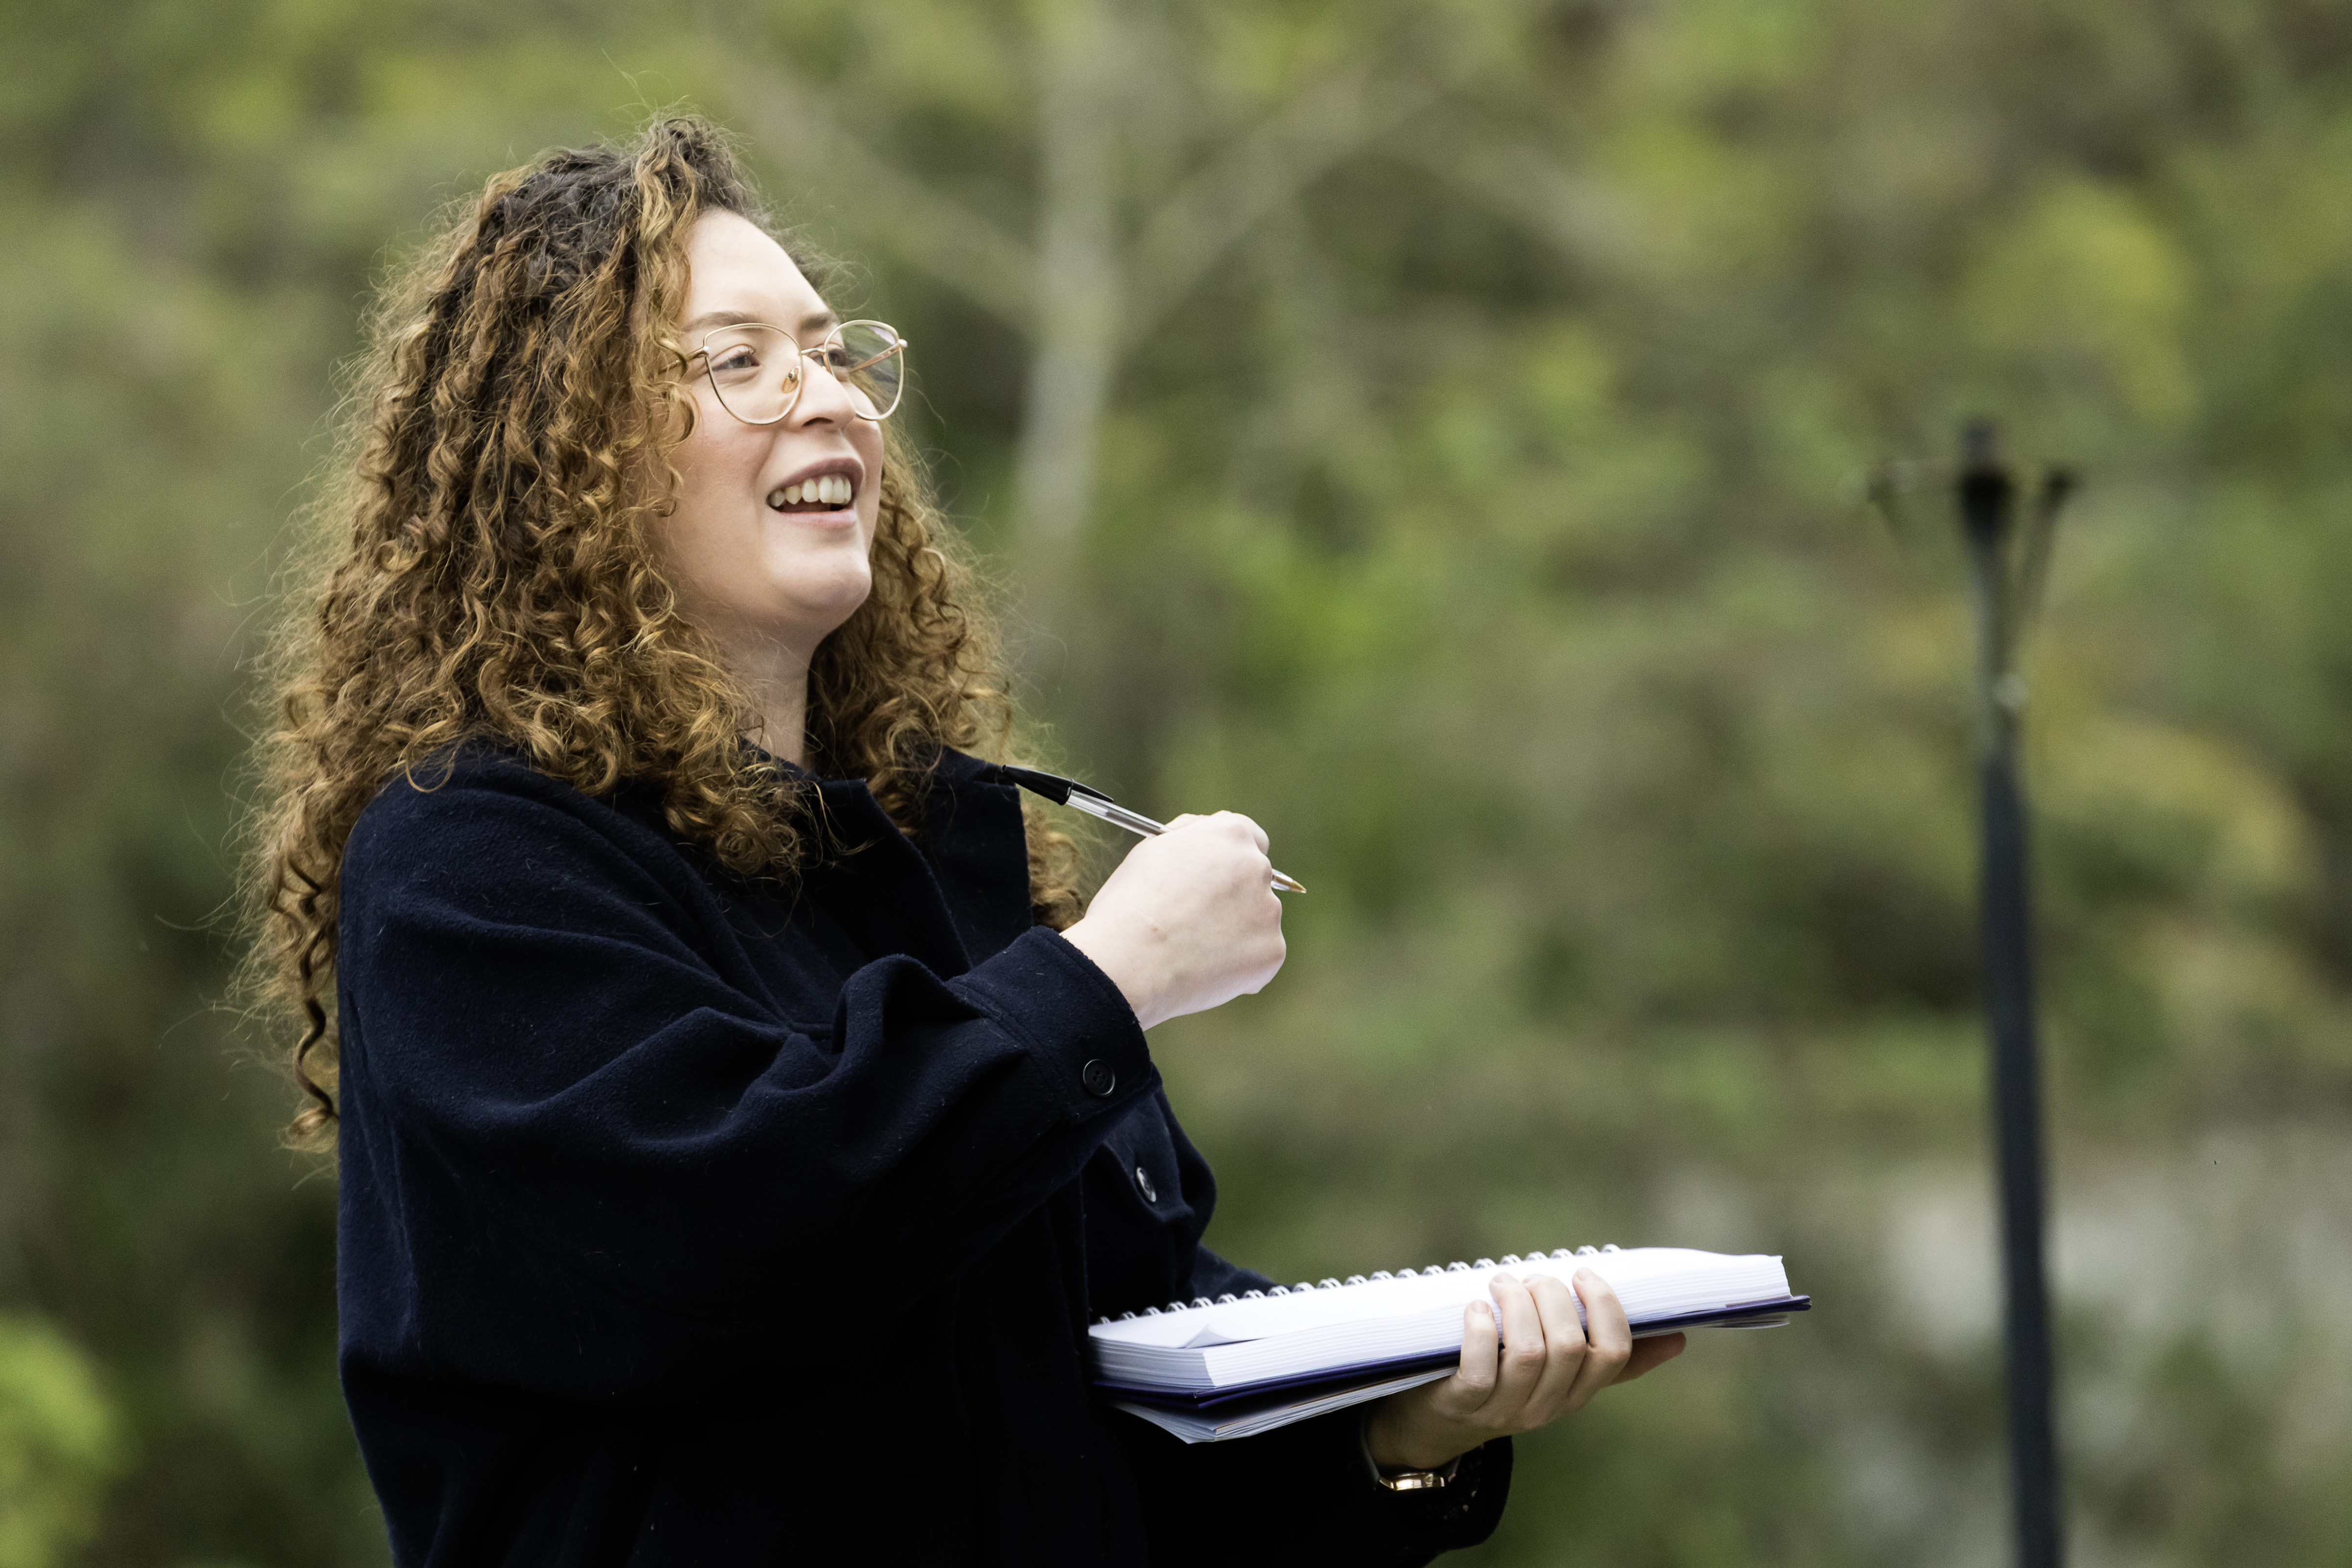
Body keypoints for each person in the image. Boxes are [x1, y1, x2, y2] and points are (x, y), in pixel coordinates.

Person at [237, 116, 1683, 1566]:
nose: (832, 401)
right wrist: (1105, 979)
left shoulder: (942, 864)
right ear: (559, 460)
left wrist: (1403, 1428)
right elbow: (740, 1237)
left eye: (834, 352)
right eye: (737, 361)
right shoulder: (471, 866)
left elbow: (1111, 1410)